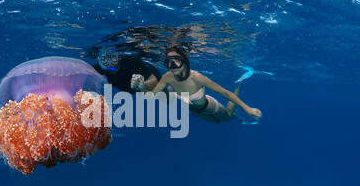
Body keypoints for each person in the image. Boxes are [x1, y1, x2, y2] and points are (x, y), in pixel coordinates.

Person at [131, 45, 262, 124]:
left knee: (228, 116)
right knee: (217, 122)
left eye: (176, 60)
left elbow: (225, 93)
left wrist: (247, 108)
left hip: (209, 107)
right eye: (168, 62)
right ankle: (236, 112)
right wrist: (142, 88)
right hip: (196, 111)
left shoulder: (197, 78)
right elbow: (151, 97)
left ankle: (239, 83)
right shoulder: (167, 77)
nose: (172, 66)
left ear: (185, 61)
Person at [93, 47, 162, 94]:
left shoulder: (132, 62)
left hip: (150, 73)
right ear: (99, 60)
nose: (110, 63)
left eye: (114, 58)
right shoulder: (95, 70)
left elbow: (154, 80)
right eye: (104, 59)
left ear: (119, 57)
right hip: (128, 89)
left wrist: (142, 84)